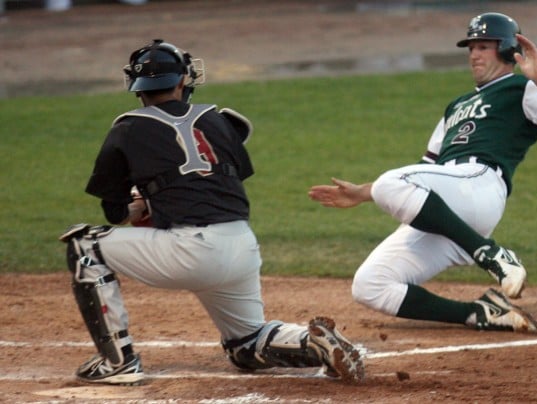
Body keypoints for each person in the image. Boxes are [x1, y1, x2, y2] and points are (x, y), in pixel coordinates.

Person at [59, 39, 364, 385]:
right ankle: (312, 343)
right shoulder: (220, 120)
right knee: (246, 345)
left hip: (188, 251)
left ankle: (116, 362)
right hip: (241, 245)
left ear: (137, 87)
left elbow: (115, 213)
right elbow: (220, 181)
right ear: (182, 82)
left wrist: (144, 202)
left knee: (84, 244)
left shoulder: (126, 128)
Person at [309, 12, 537, 333]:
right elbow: (423, 174)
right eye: (471, 48)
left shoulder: (522, 87)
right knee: (369, 284)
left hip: (479, 187)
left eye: (483, 46)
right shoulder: (455, 106)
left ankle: (493, 255)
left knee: (390, 181)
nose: (474, 54)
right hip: (449, 210)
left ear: (508, 50)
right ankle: (481, 312)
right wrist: (363, 192)